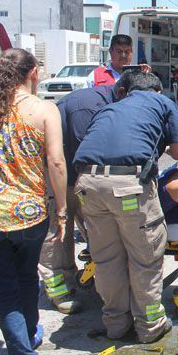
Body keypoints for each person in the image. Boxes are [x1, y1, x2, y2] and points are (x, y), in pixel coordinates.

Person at [73, 71, 178, 344]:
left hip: (86, 186)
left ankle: (115, 325)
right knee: (144, 257)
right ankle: (150, 326)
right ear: (157, 90)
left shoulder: (110, 108)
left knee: (106, 259)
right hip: (128, 187)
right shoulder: (162, 103)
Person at [0, 48, 67, 355]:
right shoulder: (45, 109)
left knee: (4, 289)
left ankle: (25, 348)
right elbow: (56, 162)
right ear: (32, 73)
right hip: (30, 214)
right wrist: (61, 209)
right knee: (27, 277)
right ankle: (26, 352)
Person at [37, 73, 134, 315]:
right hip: (61, 175)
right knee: (60, 230)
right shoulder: (88, 106)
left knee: (94, 226)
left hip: (78, 176)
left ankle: (87, 277)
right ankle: (59, 287)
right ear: (122, 93)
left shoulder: (109, 104)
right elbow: (86, 154)